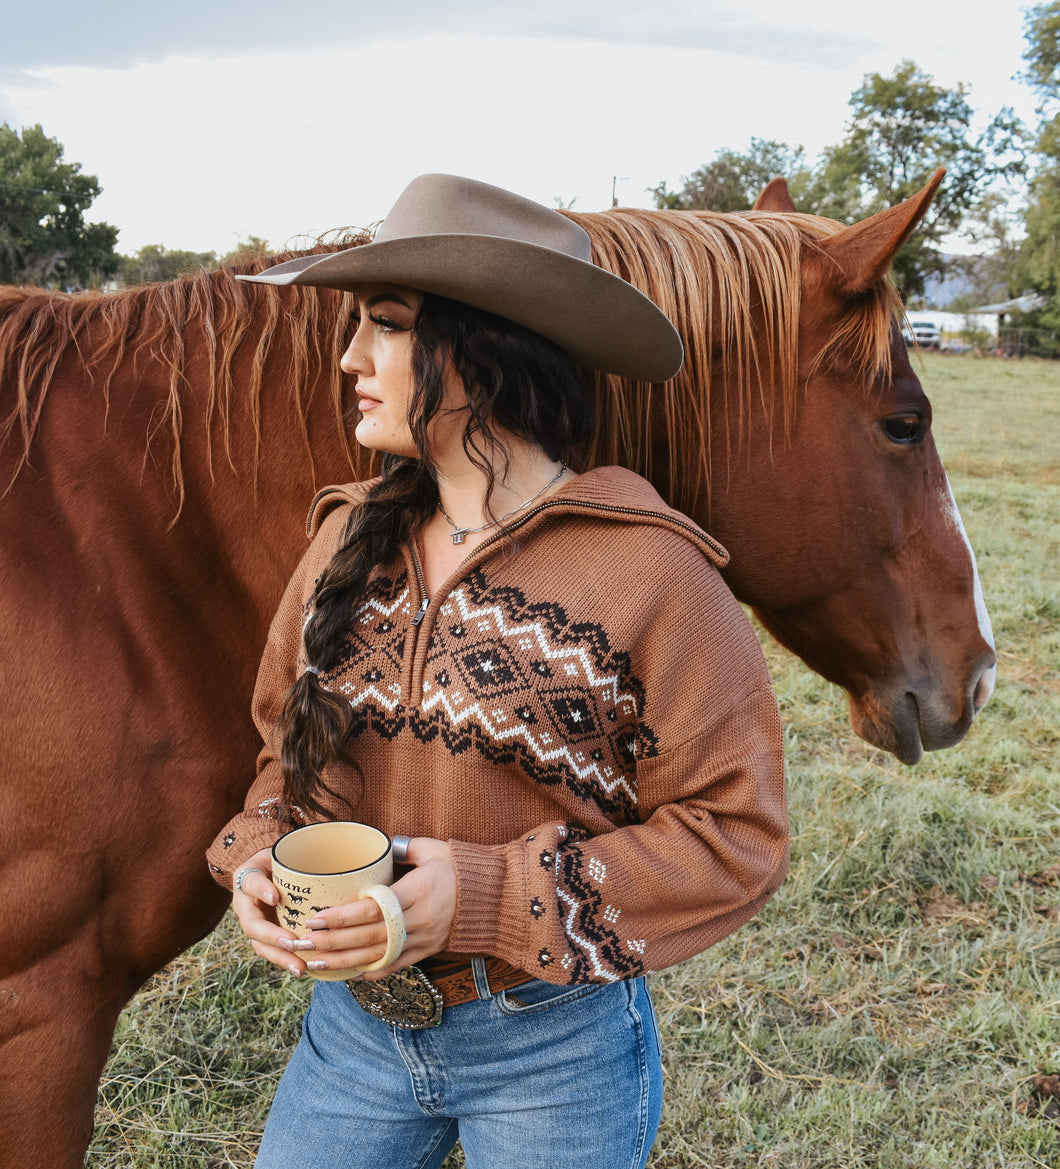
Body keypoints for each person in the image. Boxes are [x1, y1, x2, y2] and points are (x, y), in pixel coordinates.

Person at [207, 173, 788, 1169]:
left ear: (486, 344)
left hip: (553, 1044)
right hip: (354, 1035)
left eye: (385, 326)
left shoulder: (654, 573)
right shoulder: (348, 540)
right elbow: (280, 756)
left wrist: (489, 894)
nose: (351, 357)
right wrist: (261, 855)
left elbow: (737, 834)